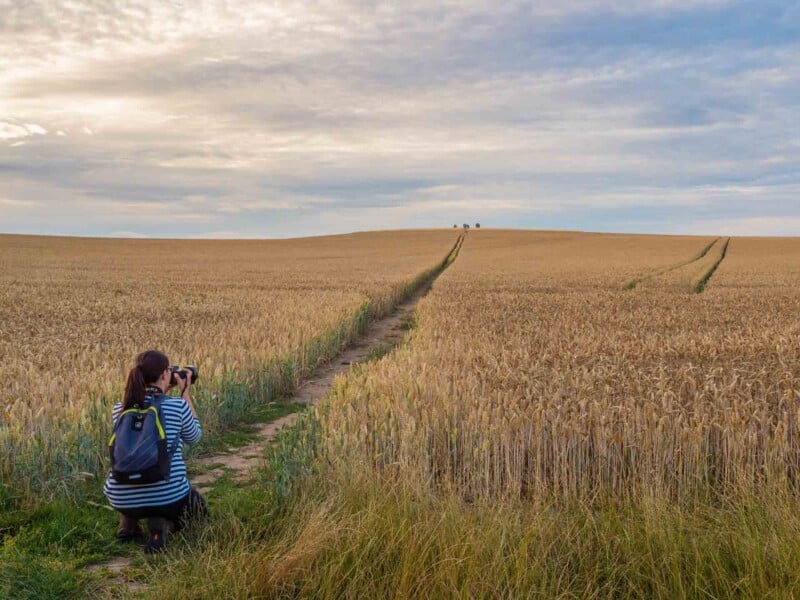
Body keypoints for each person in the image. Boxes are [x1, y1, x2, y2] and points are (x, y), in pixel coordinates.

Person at [103, 349, 207, 553]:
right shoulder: (177, 406)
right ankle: (163, 525)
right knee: (198, 508)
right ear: (165, 374)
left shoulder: (120, 408)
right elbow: (194, 438)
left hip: (119, 496)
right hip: (167, 496)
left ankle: (128, 524)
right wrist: (185, 393)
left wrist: (160, 391)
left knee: (134, 473)